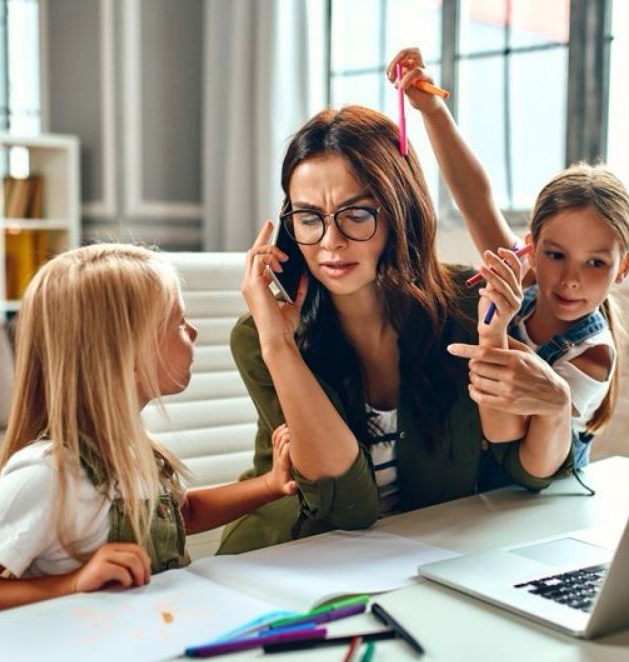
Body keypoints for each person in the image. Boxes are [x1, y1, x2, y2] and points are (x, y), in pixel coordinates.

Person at [0, 244, 299, 662]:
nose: (193, 333)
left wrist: (270, 486)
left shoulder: (133, 449)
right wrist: (74, 583)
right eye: (177, 322)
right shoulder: (49, 474)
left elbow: (178, 513)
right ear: (123, 350)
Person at [217, 105, 573, 555]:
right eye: (309, 218)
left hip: (421, 561)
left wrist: (557, 406)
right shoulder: (262, 337)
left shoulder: (466, 308)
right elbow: (345, 507)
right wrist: (278, 344)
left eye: (357, 214)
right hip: (290, 561)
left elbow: (525, 474)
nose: (330, 242)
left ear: (400, 212)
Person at [389, 47, 629, 470]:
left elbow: (516, 442)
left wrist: (496, 331)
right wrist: (431, 109)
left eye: (596, 263)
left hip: (541, 495)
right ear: (531, 249)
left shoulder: (593, 353)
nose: (570, 278)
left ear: (623, 269)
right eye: (556, 255)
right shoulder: (523, 276)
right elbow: (474, 197)